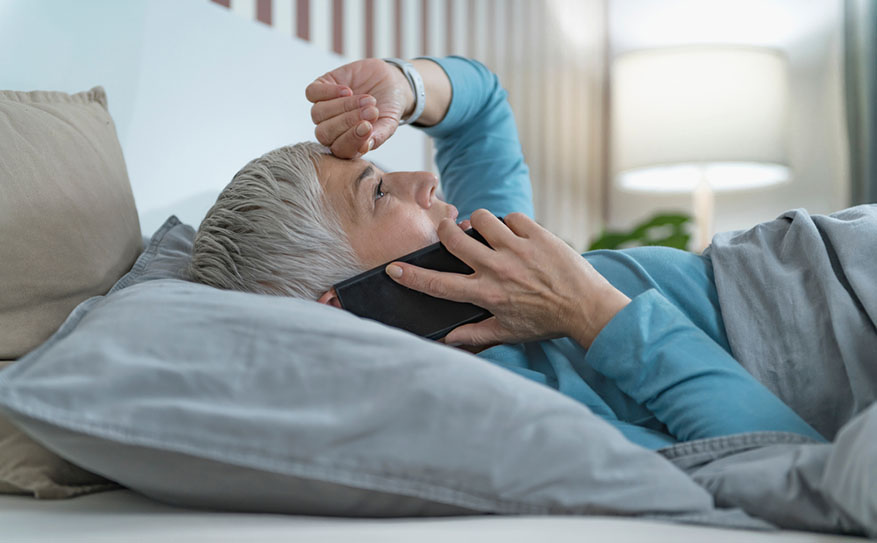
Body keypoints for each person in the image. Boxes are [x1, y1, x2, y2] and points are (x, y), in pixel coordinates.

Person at [189, 56, 829, 450]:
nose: (423, 180)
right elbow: (781, 458)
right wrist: (590, 311)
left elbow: (480, 108)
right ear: (343, 306)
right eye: (381, 192)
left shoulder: (495, 257)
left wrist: (405, 86)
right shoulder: (508, 403)